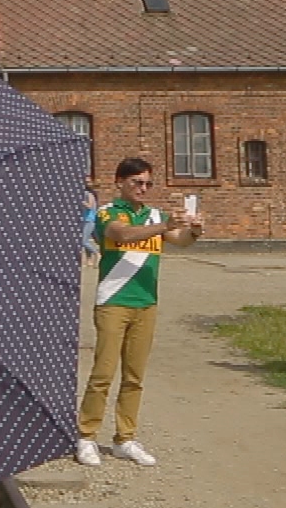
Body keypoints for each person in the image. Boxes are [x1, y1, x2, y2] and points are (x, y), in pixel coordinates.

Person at [75, 157, 202, 467]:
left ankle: (125, 438)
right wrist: (164, 226)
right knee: (103, 373)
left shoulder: (155, 215)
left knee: (134, 376)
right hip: (114, 301)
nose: (143, 188)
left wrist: (195, 231)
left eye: (147, 183)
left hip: (146, 302)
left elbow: (180, 241)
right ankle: (86, 436)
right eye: (137, 182)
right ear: (120, 182)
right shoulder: (108, 212)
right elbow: (121, 235)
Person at [80, 185, 100, 266]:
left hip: (90, 220)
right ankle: (89, 260)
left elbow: (90, 206)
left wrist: (82, 202)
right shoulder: (85, 194)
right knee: (87, 240)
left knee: (83, 241)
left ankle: (96, 253)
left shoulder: (88, 194)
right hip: (85, 220)